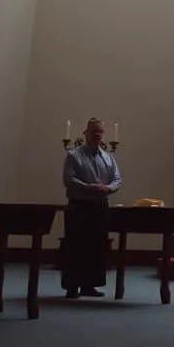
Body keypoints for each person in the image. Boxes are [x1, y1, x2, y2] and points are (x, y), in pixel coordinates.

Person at [62, 118, 122, 299]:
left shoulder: (108, 157)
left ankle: (89, 285)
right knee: (76, 246)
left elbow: (117, 179)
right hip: (79, 206)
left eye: (100, 132)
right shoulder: (74, 155)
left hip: (100, 206)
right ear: (85, 134)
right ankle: (72, 286)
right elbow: (68, 179)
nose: (97, 135)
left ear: (103, 135)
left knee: (96, 247)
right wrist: (89, 187)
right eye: (93, 131)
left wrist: (108, 188)